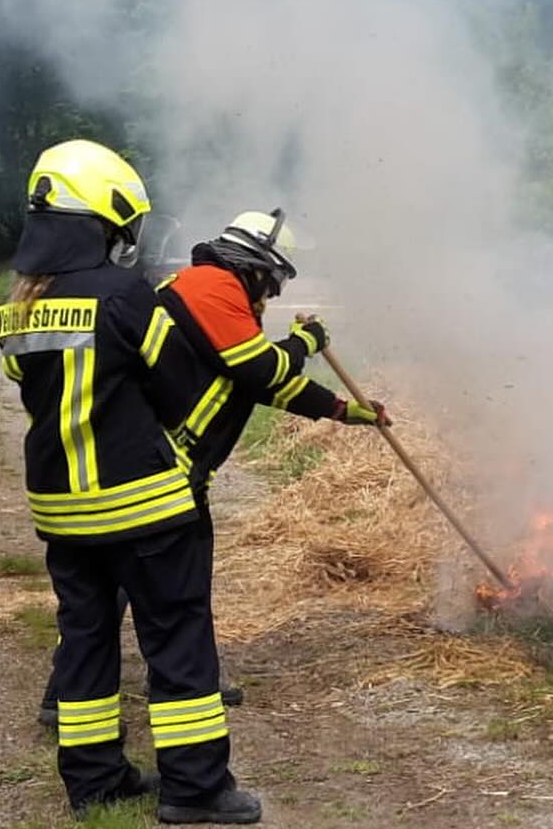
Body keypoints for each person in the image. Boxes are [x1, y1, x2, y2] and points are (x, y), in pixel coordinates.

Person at [0, 140, 259, 823]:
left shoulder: (18, 308)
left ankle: (94, 782)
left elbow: (34, 388)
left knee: (85, 642)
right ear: (104, 224)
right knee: (176, 640)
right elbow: (176, 380)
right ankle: (196, 790)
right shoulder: (124, 294)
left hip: (61, 513)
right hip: (146, 508)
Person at [37, 209, 389, 723]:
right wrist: (306, 344)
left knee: (130, 584)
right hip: (164, 465)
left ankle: (70, 693)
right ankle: (174, 688)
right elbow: (263, 368)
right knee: (171, 590)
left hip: (171, 464)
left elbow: (260, 383)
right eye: (271, 280)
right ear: (252, 265)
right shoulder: (211, 289)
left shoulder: (214, 293)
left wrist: (339, 410)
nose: (272, 295)